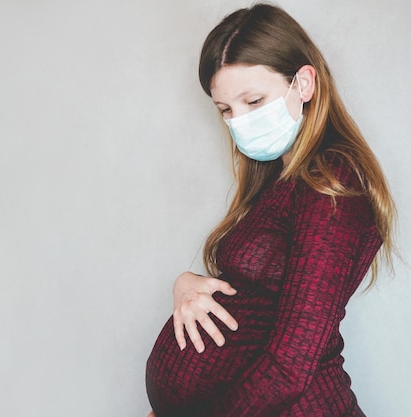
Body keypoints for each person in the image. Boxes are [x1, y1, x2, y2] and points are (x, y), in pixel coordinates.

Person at [145, 3, 396, 417]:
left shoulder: (333, 181)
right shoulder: (277, 181)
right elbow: (254, 299)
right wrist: (185, 284)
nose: (239, 121)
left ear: (304, 83)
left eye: (254, 100)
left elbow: (291, 366)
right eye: (226, 110)